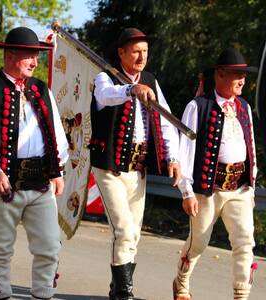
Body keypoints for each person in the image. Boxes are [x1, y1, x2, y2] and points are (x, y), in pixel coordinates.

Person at [0, 27, 69, 299]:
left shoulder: (41, 89)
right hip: (4, 183)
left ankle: (43, 294)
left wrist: (58, 169)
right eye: (29, 56)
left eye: (37, 56)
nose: (35, 62)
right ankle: (1, 295)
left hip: (40, 182)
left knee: (49, 246)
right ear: (11, 55)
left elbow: (56, 133)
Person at [89, 28, 181, 299]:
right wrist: (131, 89)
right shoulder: (105, 77)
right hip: (109, 168)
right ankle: (125, 293)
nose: (142, 57)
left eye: (145, 52)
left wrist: (171, 157)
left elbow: (166, 119)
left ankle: (117, 286)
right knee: (124, 230)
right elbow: (105, 97)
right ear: (121, 53)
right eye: (136, 51)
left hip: (138, 169)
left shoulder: (151, 80)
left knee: (134, 235)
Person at [173, 48, 258, 300]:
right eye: (236, 75)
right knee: (198, 242)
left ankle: (241, 295)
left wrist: (251, 184)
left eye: (244, 75)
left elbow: (250, 145)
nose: (242, 80)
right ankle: (182, 282)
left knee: (245, 243)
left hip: (239, 188)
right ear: (219, 75)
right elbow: (184, 151)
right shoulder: (198, 106)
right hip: (206, 189)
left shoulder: (244, 106)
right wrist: (187, 192)